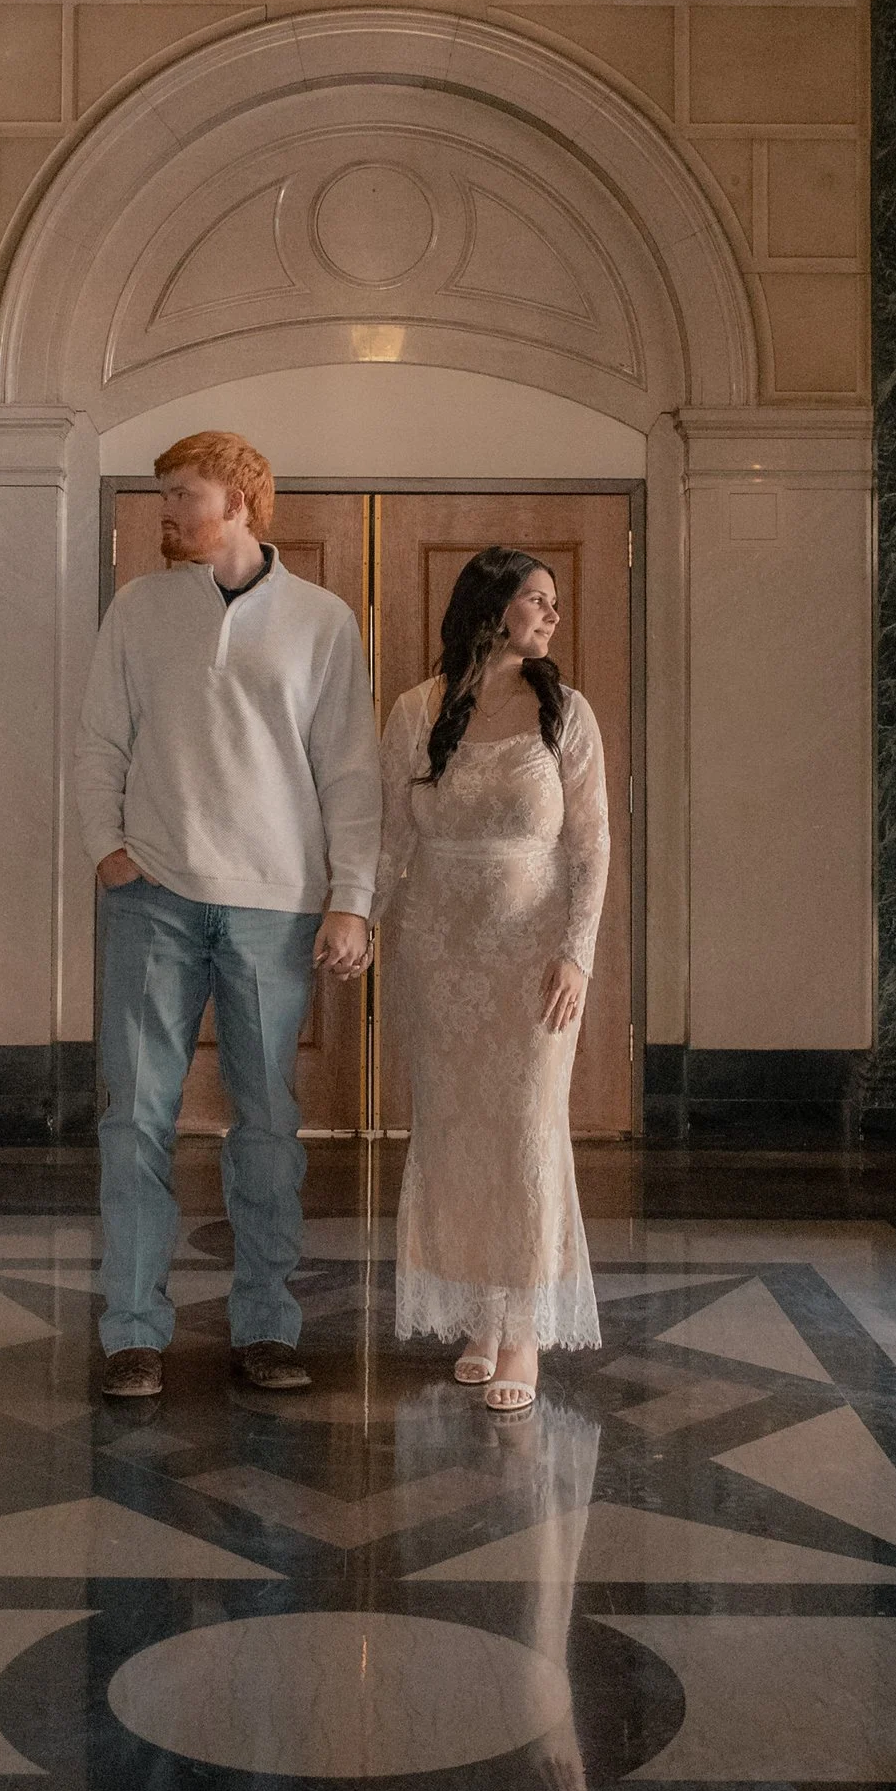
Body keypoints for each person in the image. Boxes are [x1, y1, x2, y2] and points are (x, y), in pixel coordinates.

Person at [74, 430, 379, 1403]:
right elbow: (98, 741)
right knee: (135, 1122)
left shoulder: (322, 622)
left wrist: (352, 899)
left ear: (240, 499)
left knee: (267, 1127)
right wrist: (106, 850)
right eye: (162, 493)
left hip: (274, 910)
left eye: (181, 493)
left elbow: (349, 772)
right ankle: (131, 1331)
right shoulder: (139, 608)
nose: (165, 511)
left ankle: (266, 1328)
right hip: (153, 898)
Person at [376, 548, 609, 1415]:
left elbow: (590, 845)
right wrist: (358, 918)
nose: (551, 616)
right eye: (537, 602)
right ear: (490, 609)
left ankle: (525, 1334)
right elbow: (391, 837)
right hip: (438, 954)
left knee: (522, 1130)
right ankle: (481, 1314)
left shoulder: (567, 714)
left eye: (553, 603)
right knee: (454, 1129)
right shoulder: (416, 710)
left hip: (532, 962)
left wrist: (577, 953)